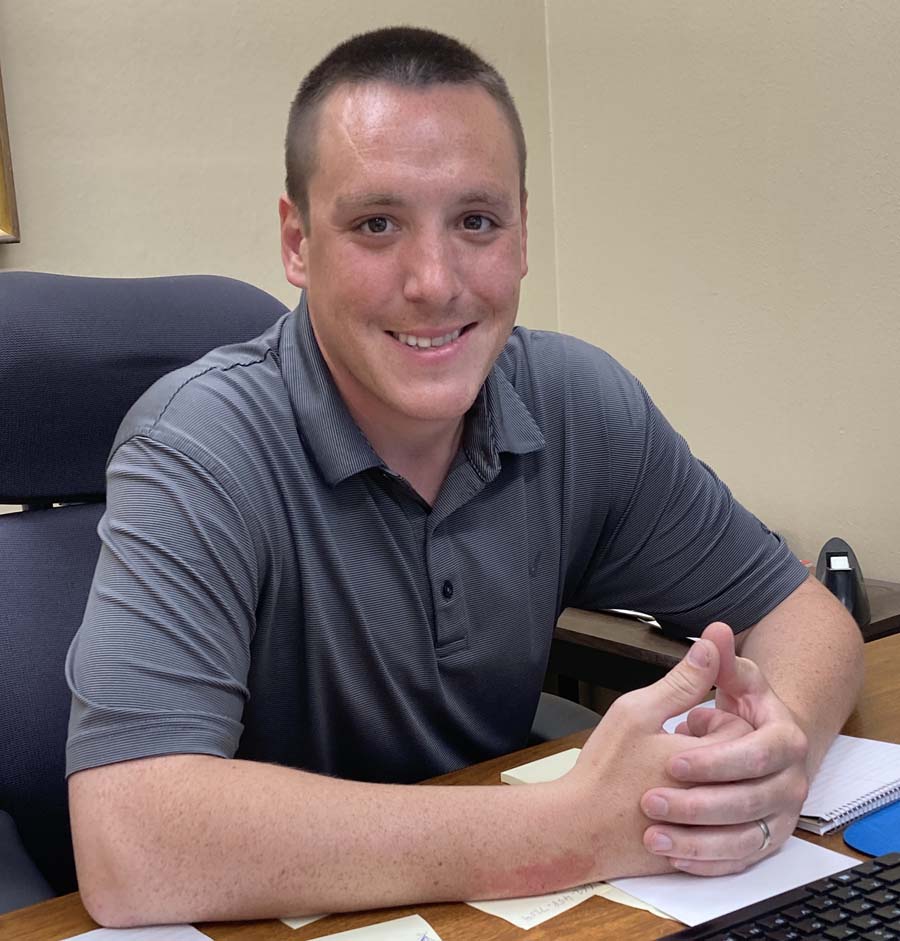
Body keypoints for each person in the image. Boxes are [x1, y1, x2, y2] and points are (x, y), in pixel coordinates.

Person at [66, 26, 863, 927]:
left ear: (522, 234)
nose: (435, 282)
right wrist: (570, 827)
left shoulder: (576, 401)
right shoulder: (198, 444)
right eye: (376, 224)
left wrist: (770, 756)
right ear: (296, 242)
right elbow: (130, 841)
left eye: (476, 221)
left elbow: (805, 615)